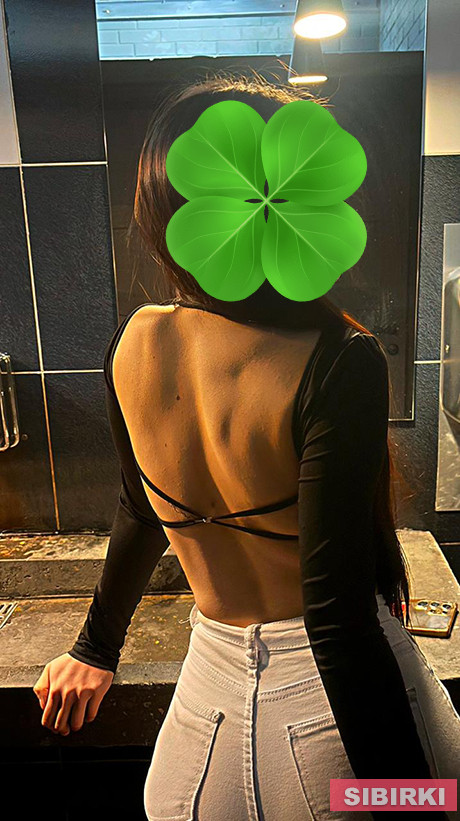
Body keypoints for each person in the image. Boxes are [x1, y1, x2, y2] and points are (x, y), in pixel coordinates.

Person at [33, 74, 460, 821]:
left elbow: (138, 506)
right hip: (332, 741)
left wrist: (96, 647)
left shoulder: (136, 341)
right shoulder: (339, 358)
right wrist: (409, 805)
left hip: (202, 735)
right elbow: (338, 620)